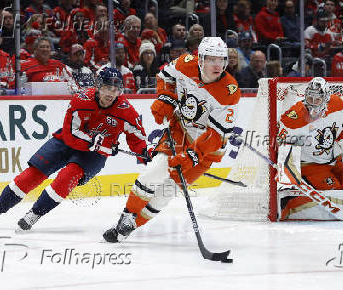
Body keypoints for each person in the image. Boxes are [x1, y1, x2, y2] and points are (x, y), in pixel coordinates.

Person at [103, 36, 241, 243]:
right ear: (200, 59)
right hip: (180, 130)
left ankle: (131, 226)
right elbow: (164, 77)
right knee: (155, 171)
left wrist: (192, 156)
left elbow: (216, 135)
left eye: (221, 59)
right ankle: (127, 216)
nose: (217, 65)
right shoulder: (185, 63)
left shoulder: (230, 91)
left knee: (168, 191)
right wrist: (165, 98)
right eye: (211, 59)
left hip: (207, 147)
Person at [0, 67, 151, 231]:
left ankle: (34, 214)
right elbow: (71, 134)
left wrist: (147, 153)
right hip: (66, 142)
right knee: (33, 174)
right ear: (98, 86)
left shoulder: (126, 111)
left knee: (67, 177)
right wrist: (97, 141)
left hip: (94, 155)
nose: (110, 93)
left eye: (115, 89)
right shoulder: (81, 99)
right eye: (107, 87)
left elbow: (138, 139)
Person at [277, 77, 343, 220]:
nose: (313, 104)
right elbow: (278, 140)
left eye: (317, 100)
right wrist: (288, 168)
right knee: (338, 193)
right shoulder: (294, 117)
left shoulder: (337, 104)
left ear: (326, 98)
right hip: (311, 166)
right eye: (310, 98)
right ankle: (291, 200)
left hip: (333, 160)